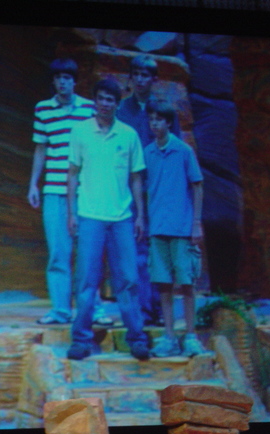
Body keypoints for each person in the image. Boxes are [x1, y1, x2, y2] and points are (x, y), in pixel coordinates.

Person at [66, 78, 149, 361]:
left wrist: (140, 216)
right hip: (90, 216)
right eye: (100, 98)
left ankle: (136, 338)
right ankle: (81, 340)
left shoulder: (128, 135)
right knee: (86, 281)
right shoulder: (80, 131)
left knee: (128, 280)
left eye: (110, 100)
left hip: (122, 218)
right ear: (95, 101)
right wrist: (71, 213)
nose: (105, 104)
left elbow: (136, 178)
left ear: (117, 103)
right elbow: (72, 174)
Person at [28, 58, 112, 326]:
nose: (62, 82)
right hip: (54, 190)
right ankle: (61, 310)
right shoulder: (43, 109)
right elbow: (41, 148)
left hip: (85, 191)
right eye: (58, 78)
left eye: (67, 78)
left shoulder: (88, 108)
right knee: (58, 252)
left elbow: (98, 147)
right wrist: (33, 184)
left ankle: (94, 309)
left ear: (74, 81)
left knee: (89, 253)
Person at [116, 55, 182, 327]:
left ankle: (160, 307)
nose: (140, 80)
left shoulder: (164, 110)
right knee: (137, 250)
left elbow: (176, 150)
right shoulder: (122, 110)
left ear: (154, 79)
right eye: (136, 74)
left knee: (161, 249)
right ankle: (143, 309)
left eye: (146, 75)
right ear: (131, 77)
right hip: (131, 189)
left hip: (160, 190)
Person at [142, 101, 205, 357]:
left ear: (169, 123)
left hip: (181, 227)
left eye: (159, 119)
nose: (154, 123)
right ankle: (169, 337)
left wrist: (196, 223)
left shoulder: (183, 151)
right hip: (158, 228)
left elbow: (197, 185)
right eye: (151, 119)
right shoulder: (147, 152)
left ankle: (190, 336)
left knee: (187, 284)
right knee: (163, 285)